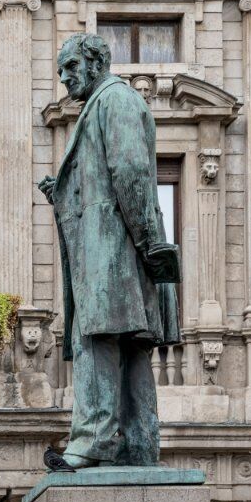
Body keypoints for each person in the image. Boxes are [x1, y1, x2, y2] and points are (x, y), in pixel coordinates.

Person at [39, 32, 181, 469]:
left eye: (71, 67)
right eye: (61, 70)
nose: (65, 78)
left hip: (115, 253)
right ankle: (138, 446)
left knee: (96, 342)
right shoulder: (104, 105)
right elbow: (110, 175)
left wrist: (149, 245)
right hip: (119, 251)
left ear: (97, 64)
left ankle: (93, 441)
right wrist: (64, 190)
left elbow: (131, 173)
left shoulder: (115, 100)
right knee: (130, 349)